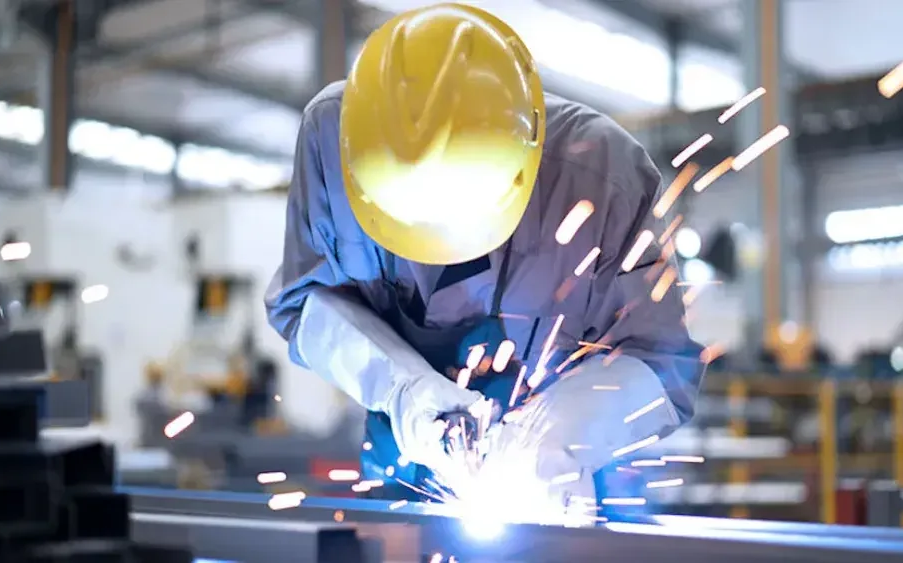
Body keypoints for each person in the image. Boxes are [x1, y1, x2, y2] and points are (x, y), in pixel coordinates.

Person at [265, 3, 704, 519]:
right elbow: (306, 306)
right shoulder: (329, 140)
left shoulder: (601, 174)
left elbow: (661, 362)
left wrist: (556, 438)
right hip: (405, 471)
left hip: (561, 487)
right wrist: (403, 388)